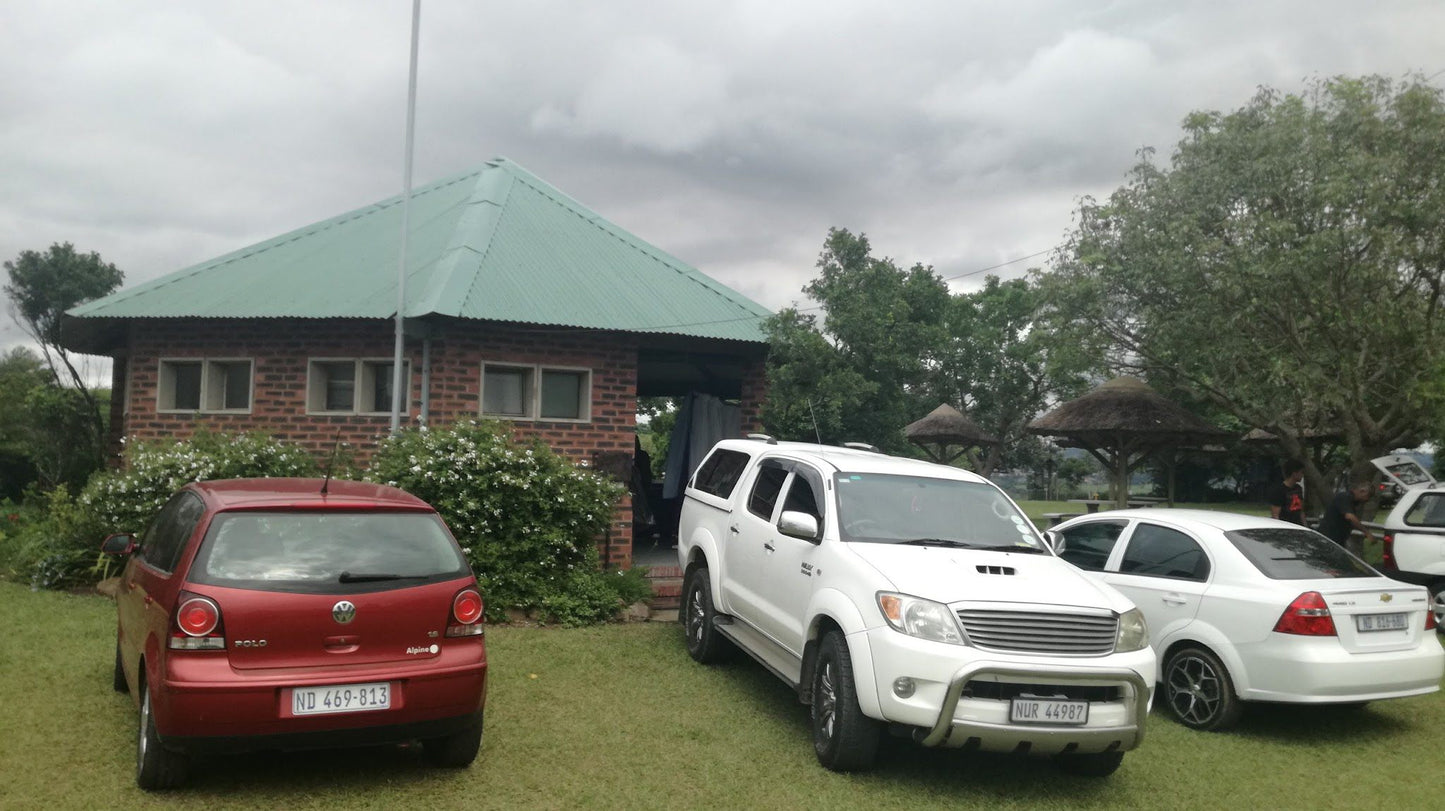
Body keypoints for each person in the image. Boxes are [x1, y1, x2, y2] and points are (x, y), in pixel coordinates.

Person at [1317, 480, 1375, 557]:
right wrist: (1366, 532)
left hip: (1337, 541)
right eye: (1368, 496)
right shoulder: (1345, 497)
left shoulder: (1351, 502)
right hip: (1329, 539)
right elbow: (1350, 517)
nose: (1366, 500)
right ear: (1362, 491)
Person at [1266, 459, 1306, 525]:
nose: (1302, 475)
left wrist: (1305, 526)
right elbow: (1275, 515)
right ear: (1294, 473)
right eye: (1301, 472)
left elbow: (1301, 511)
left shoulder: (1298, 488)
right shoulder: (1279, 490)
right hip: (1286, 525)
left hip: (1297, 525)